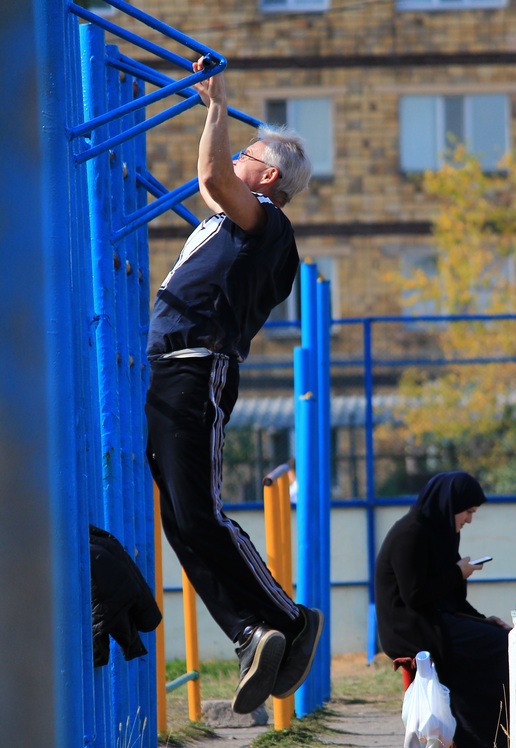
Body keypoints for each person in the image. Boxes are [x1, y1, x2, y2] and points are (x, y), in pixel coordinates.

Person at [144, 58, 322, 715]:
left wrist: (216, 107)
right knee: (180, 518)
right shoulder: (231, 228)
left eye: (246, 156)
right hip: (172, 366)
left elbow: (211, 175)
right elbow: (217, 183)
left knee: (201, 513)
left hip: (198, 365)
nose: (232, 164)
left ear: (267, 176)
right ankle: (253, 632)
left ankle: (290, 620)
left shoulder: (267, 224)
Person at [375, 471, 510, 748]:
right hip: (409, 627)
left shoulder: (441, 533)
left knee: (501, 637)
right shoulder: (410, 533)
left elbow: (450, 600)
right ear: (450, 505)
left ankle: (492, 735)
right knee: (495, 645)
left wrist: (484, 620)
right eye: (467, 512)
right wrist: (456, 573)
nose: (469, 520)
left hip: (433, 620)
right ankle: (473, 736)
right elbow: (414, 595)